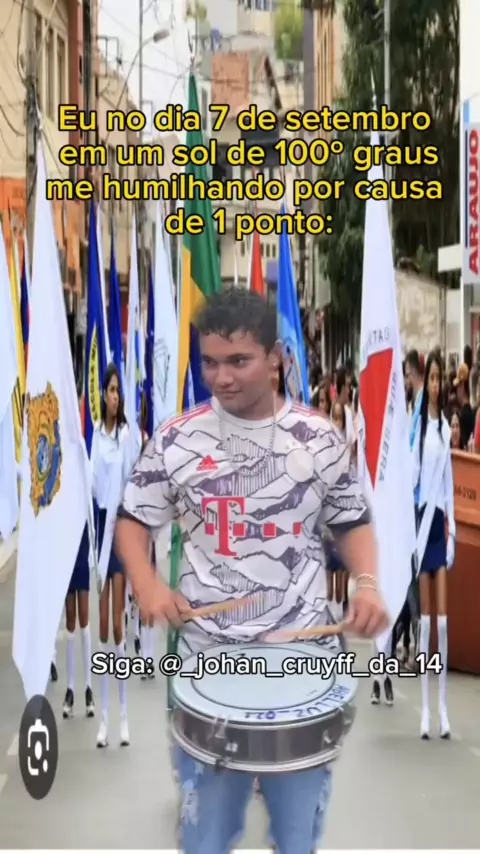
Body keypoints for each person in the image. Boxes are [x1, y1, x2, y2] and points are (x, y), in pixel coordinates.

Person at [115, 289, 388, 854]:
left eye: (238, 361)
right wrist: (146, 584)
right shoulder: (175, 440)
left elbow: (352, 523)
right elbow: (132, 521)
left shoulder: (319, 438)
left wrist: (365, 584)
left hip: (302, 668)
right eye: (210, 362)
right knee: (205, 841)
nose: (221, 377)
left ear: (274, 358)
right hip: (208, 669)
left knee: (297, 841)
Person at [412, 351, 455, 740]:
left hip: (439, 526)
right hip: (420, 524)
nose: (437, 384)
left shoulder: (443, 426)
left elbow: (449, 486)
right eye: (433, 378)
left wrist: (453, 531)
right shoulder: (420, 427)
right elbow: (412, 478)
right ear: (426, 383)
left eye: (441, 378)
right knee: (425, 622)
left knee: (443, 621)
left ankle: (443, 707)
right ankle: (425, 709)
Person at [92, 363, 130, 748]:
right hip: (101, 527)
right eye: (110, 390)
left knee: (118, 627)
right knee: (102, 628)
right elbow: (91, 485)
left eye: (118, 390)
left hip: (119, 530)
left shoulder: (126, 435)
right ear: (103, 395)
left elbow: (134, 482)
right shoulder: (97, 437)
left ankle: (122, 716)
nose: (114, 396)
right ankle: (102, 718)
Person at [454, 362, 475, 449]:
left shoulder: (463, 416)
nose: (456, 391)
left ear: (462, 386)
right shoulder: (472, 411)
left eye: (457, 387)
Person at [335, 368, 354, 444]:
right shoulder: (336, 409)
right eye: (348, 386)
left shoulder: (348, 410)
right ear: (343, 388)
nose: (349, 390)